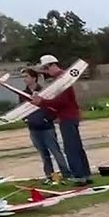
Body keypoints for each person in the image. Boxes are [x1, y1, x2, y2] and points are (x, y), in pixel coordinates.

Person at [31, 54, 92, 186]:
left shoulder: (62, 79)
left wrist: (42, 102)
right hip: (70, 116)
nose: (47, 73)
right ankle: (85, 174)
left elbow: (61, 101)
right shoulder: (63, 78)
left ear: (51, 66)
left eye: (46, 69)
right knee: (77, 147)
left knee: (71, 148)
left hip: (67, 117)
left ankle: (79, 176)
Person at [16, 67, 70, 184]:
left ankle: (66, 173)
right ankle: (49, 175)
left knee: (56, 151)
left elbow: (51, 107)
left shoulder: (44, 91)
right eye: (23, 77)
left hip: (47, 128)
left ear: (34, 78)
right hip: (33, 129)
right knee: (44, 154)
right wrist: (26, 120)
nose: (24, 79)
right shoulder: (23, 94)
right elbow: (21, 109)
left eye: (26, 77)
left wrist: (48, 118)